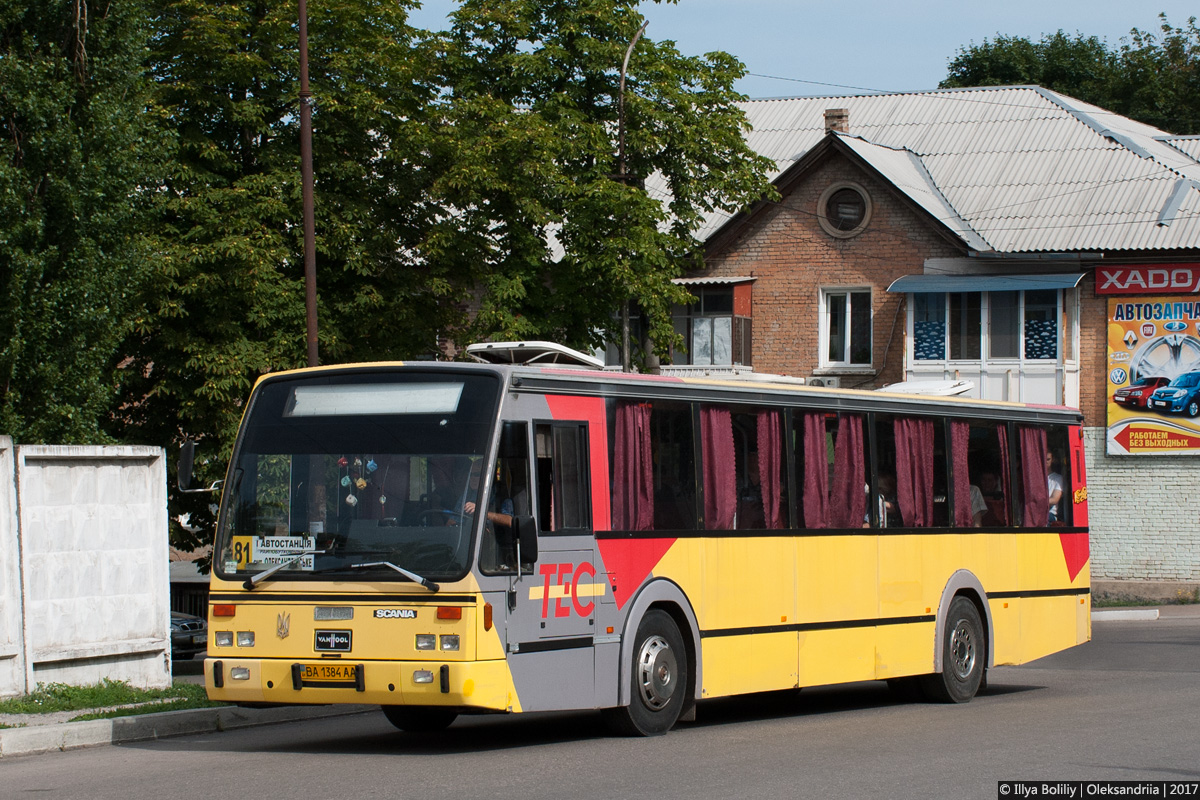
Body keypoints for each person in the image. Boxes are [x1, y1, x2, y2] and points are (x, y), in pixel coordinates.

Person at [1046, 452, 1064, 524]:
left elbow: (1054, 499)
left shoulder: (1058, 478)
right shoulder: (1035, 478)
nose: (1045, 462)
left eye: (1048, 459)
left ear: (1052, 460)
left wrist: (1037, 502)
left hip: (1050, 514)